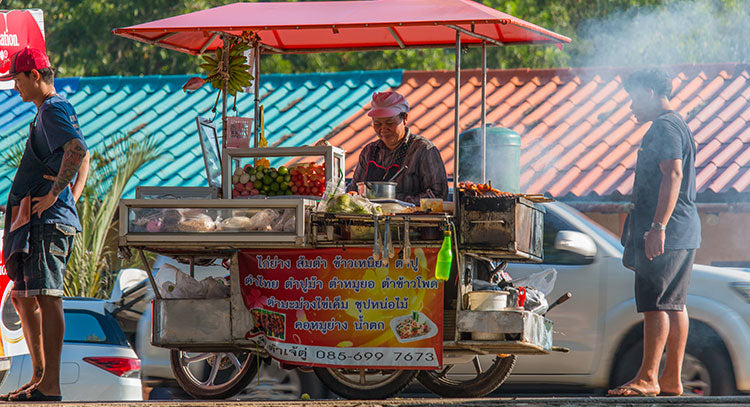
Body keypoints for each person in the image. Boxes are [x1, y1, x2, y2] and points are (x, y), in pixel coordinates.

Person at [0, 47, 90, 402]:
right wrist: (70, 195)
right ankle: (39, 377)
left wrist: (56, 195)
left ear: (35, 75)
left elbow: (78, 149)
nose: (16, 87)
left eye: (18, 79)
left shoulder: (53, 108)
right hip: (35, 219)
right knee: (26, 297)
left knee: (48, 297)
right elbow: (82, 156)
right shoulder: (47, 112)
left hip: (48, 221)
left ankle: (51, 384)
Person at [608, 69, 701, 397]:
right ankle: (672, 380)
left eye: (633, 98)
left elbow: (673, 173)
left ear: (648, 92)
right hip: (683, 229)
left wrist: (657, 227)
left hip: (668, 230)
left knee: (656, 303)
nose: (631, 106)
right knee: (675, 304)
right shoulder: (676, 124)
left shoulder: (663, 127)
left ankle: (648, 378)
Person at [347, 91, 448, 204]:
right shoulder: (369, 152)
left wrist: (398, 201)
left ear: (404, 118)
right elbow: (354, 189)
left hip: (411, 220)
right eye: (378, 124)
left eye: (389, 123)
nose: (383, 129)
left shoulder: (423, 150)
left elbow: (438, 195)